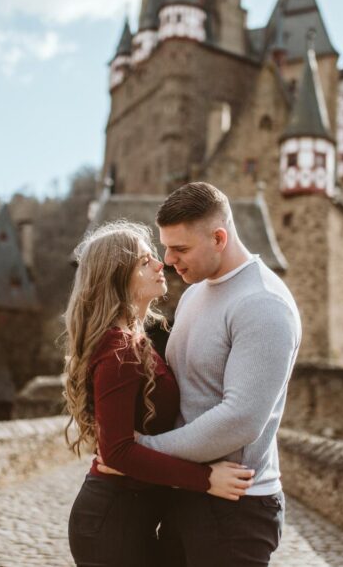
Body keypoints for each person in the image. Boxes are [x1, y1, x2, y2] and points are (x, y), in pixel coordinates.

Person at [98, 182, 302, 566]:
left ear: (219, 237)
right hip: (187, 493)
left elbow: (239, 420)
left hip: (237, 506)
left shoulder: (263, 304)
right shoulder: (194, 292)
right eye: (165, 247)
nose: (168, 260)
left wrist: (138, 451)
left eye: (181, 249)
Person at [63, 220, 256, 567]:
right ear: (118, 278)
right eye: (143, 261)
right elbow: (117, 451)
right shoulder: (118, 350)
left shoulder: (135, 339)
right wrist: (206, 479)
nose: (160, 264)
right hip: (112, 523)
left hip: (131, 517)